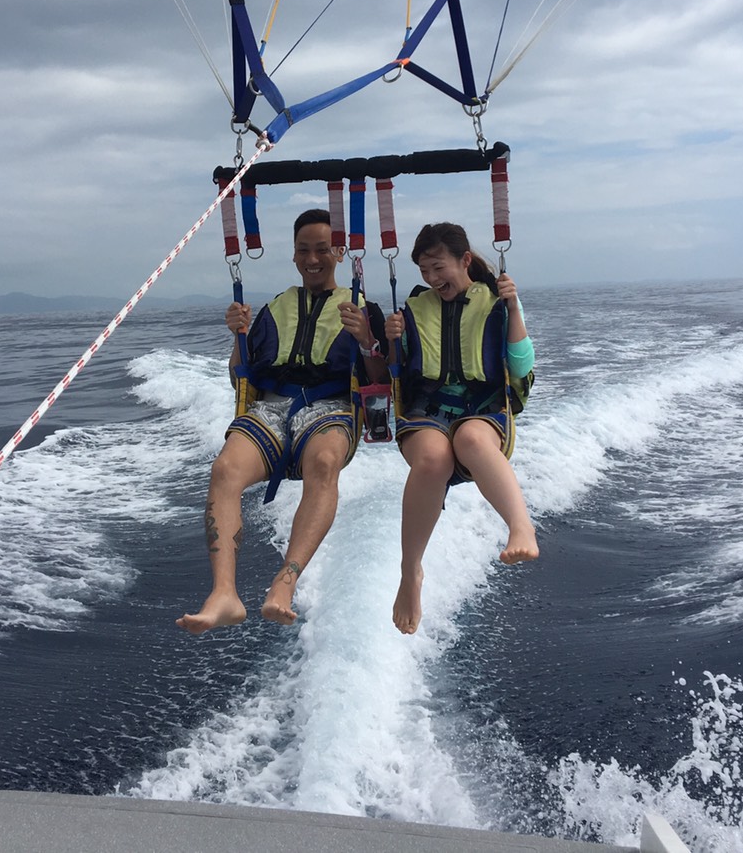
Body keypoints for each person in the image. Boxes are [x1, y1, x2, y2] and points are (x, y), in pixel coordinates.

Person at [177, 208, 388, 633]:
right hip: (270, 408)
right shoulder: (275, 309)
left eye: (322, 250)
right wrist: (237, 337)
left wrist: (366, 339)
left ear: (339, 253)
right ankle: (224, 594)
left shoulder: (364, 308)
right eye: (303, 250)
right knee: (224, 470)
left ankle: (285, 583)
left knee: (324, 463)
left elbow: (382, 383)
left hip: (331, 407)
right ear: (293, 255)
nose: (313, 259)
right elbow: (240, 377)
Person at [383, 221, 538, 635]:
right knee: (434, 458)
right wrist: (389, 339)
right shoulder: (413, 310)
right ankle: (410, 572)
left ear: (465, 260)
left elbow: (521, 366)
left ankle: (520, 526)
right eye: (424, 272)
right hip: (427, 412)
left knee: (470, 438)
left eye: (439, 268)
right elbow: (392, 371)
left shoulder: (497, 303)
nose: (433, 279)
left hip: (483, 409)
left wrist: (514, 309)